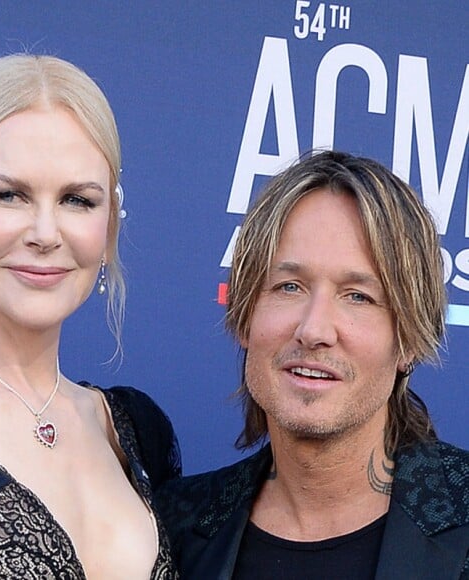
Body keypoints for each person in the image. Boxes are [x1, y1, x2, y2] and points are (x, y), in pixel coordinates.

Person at [0, 54, 180, 579]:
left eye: (76, 199)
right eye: (8, 195)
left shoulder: (138, 432)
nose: (46, 233)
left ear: (109, 224)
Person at [156, 150, 469, 579]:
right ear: (245, 315)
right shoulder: (172, 530)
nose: (314, 328)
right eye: (289, 286)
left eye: (358, 295)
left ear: (408, 341)